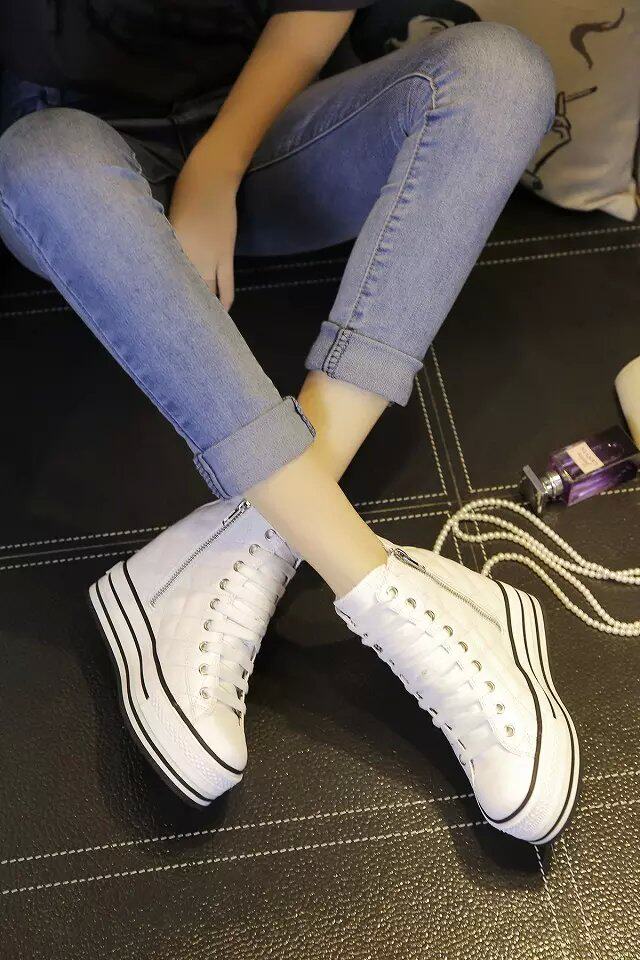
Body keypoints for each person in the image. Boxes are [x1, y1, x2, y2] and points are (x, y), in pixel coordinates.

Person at [0, 1, 579, 844]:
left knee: (502, 71)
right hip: (75, 177)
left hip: (270, 135)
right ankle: (390, 593)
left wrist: (216, 167)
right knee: (39, 160)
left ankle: (241, 547)